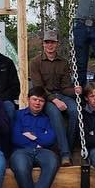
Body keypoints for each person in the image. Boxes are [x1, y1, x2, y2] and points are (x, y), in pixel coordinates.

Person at [30, 29, 79, 163]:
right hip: (45, 97)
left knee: (75, 111)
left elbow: (65, 87)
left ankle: (69, 147)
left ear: (57, 44)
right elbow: (39, 88)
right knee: (56, 114)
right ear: (43, 44)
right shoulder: (35, 62)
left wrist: (75, 91)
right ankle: (65, 154)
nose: (50, 45)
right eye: (47, 42)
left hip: (62, 95)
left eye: (52, 42)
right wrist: (55, 100)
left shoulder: (63, 62)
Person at [10, 87, 59, 188]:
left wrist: (33, 136)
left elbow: (51, 138)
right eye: (35, 99)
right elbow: (15, 137)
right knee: (20, 167)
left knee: (52, 162)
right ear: (28, 99)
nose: (37, 103)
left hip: (42, 151)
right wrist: (38, 140)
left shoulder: (47, 118)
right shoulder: (18, 115)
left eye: (41, 101)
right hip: (21, 151)